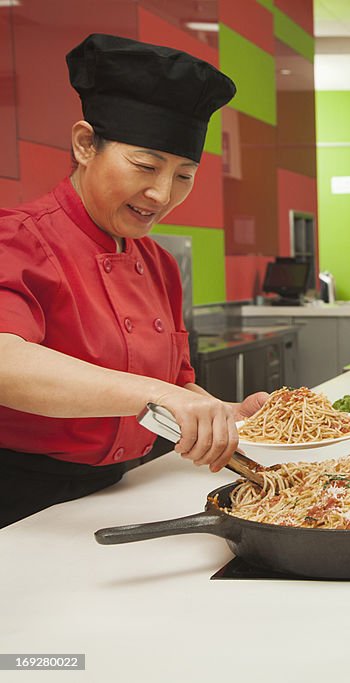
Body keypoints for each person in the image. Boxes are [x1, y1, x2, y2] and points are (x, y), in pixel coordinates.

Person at [0, 34, 268, 528]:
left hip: (130, 484)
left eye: (184, 175)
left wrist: (223, 414)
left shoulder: (159, 263)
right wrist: (162, 394)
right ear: (85, 145)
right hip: (24, 503)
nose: (162, 193)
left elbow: (176, 384)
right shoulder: (17, 237)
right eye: (145, 166)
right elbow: (5, 362)